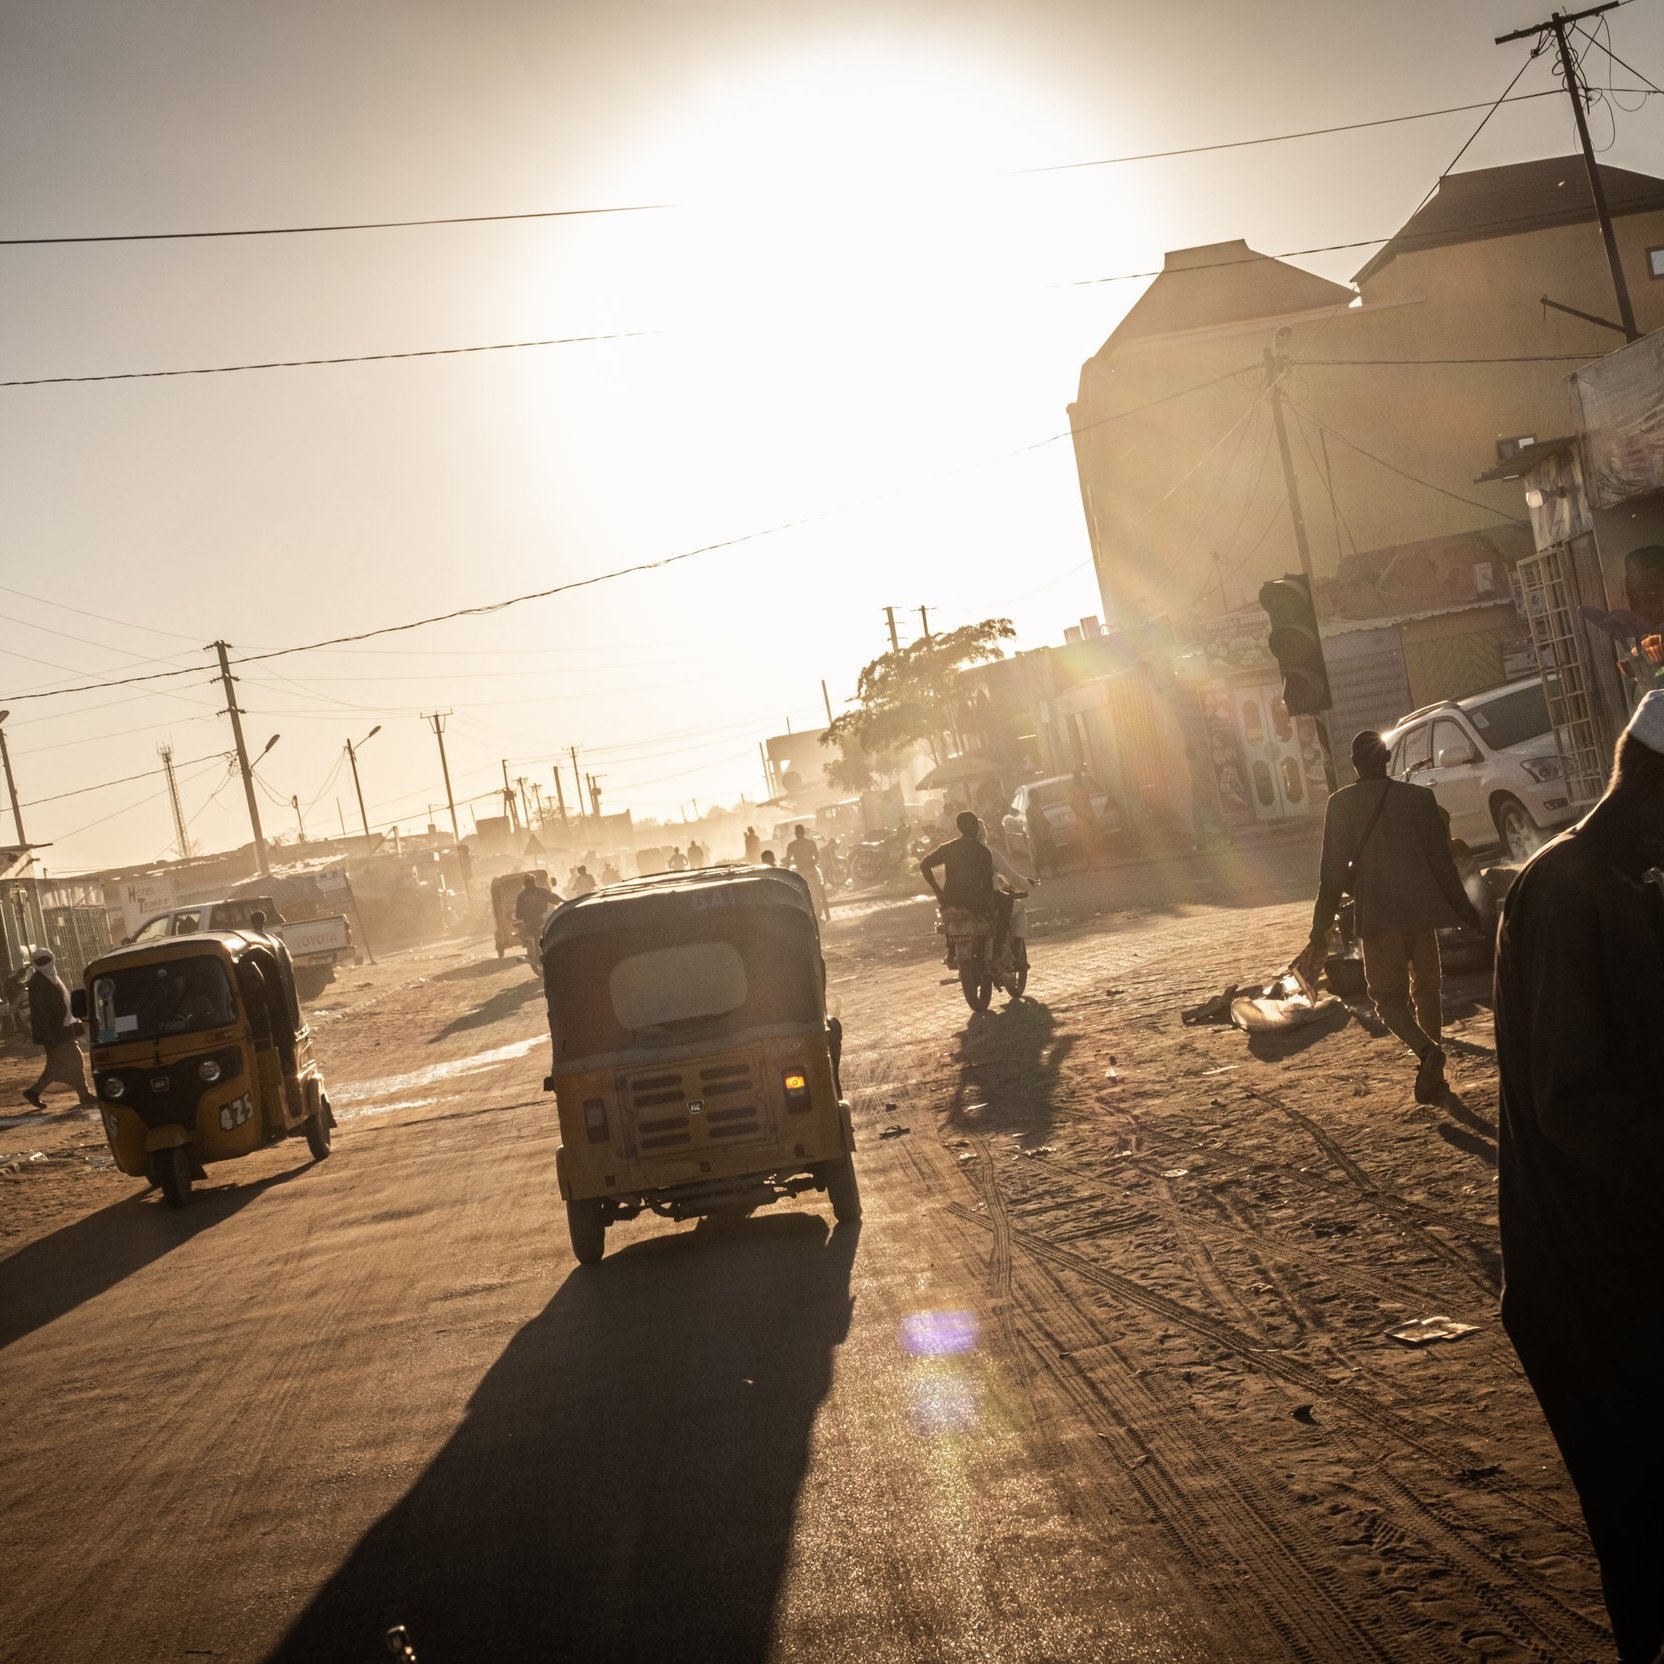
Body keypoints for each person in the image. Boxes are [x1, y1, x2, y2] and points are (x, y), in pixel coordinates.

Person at [1493, 691, 1664, 1664]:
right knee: (1643, 1537)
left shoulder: (1623, 885)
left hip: (1630, 1270)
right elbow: (1573, 1102)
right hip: (1588, 1288)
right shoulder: (1563, 893)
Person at [1296, 729, 1481, 1103]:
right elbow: (1443, 862)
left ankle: (1428, 1054)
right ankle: (1435, 1077)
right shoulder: (1420, 799)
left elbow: (1330, 876)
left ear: (1354, 764)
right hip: (1421, 912)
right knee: (1427, 990)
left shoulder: (1341, 804)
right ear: (1387, 759)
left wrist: (1320, 930)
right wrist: (1466, 910)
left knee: (1387, 999)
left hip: (1379, 916)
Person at [22, 947, 94, 1110]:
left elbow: (66, 1004)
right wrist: (49, 1037)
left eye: (46, 960)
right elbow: (41, 1013)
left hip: (62, 1029)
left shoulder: (52, 977)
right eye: (41, 962)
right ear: (35, 964)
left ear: (52, 959)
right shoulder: (37, 983)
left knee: (55, 1068)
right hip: (55, 1032)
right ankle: (84, 1095)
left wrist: (75, 1028)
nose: (45, 964)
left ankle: (33, 1092)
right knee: (75, 1059)